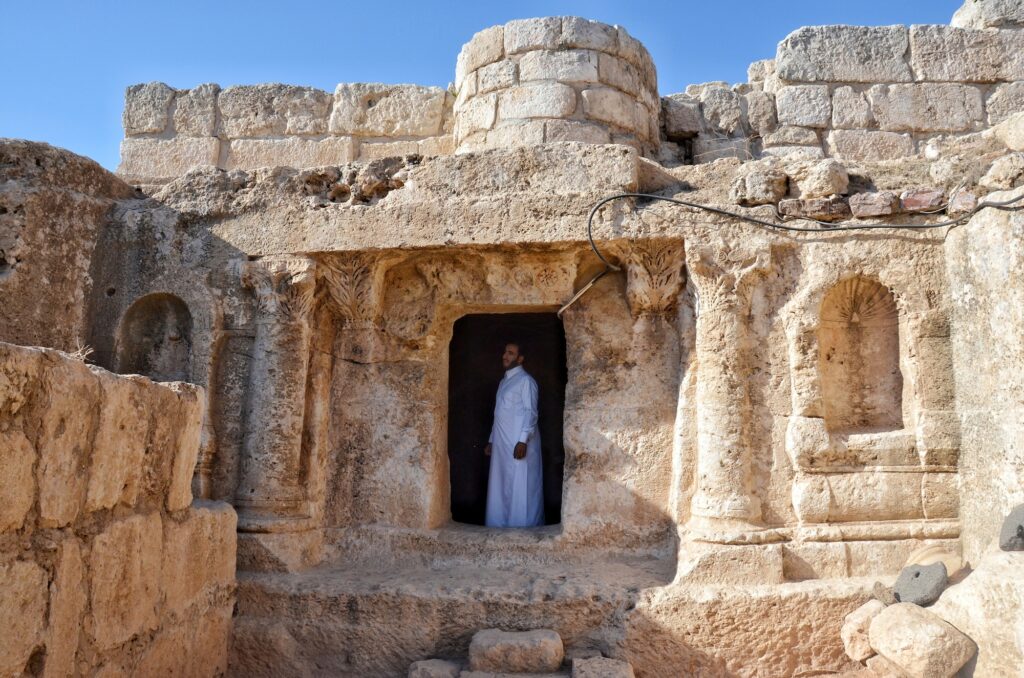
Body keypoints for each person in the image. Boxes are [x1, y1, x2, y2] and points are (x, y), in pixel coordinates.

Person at [484, 340, 545, 528]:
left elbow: (530, 412)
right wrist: (492, 440)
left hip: (519, 444)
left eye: (510, 353)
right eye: (505, 352)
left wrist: (523, 441)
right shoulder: (504, 381)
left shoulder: (526, 381)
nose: (505, 356)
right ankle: (499, 525)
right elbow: (498, 414)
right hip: (502, 444)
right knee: (500, 484)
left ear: (520, 358)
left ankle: (523, 528)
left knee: (521, 485)